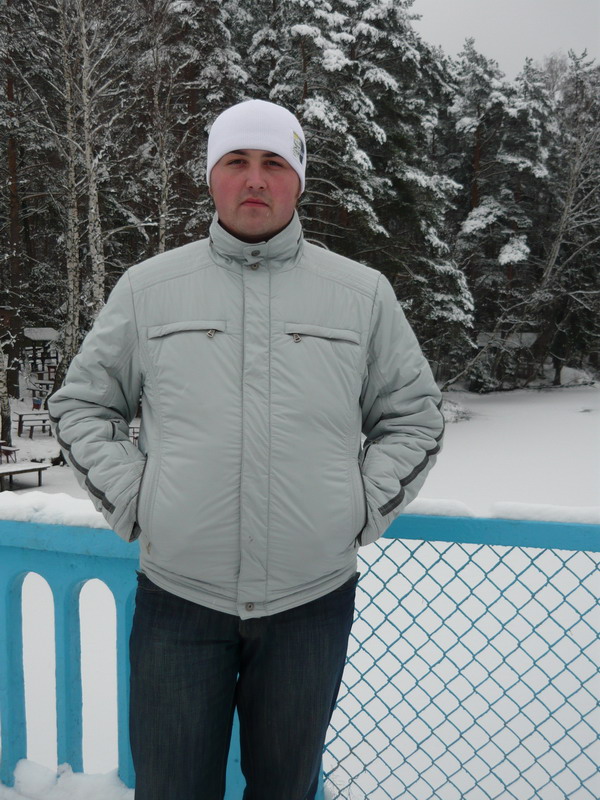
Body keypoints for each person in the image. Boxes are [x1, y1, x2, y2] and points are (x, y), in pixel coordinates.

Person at [48, 99, 444, 800]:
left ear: (299, 180)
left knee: (286, 789)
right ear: (212, 176)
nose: (255, 179)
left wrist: (358, 506)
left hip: (310, 600)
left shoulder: (361, 295)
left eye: (274, 163)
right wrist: (139, 499)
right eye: (237, 161)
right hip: (179, 597)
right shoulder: (149, 290)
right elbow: (83, 404)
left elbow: (414, 417)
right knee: (172, 788)